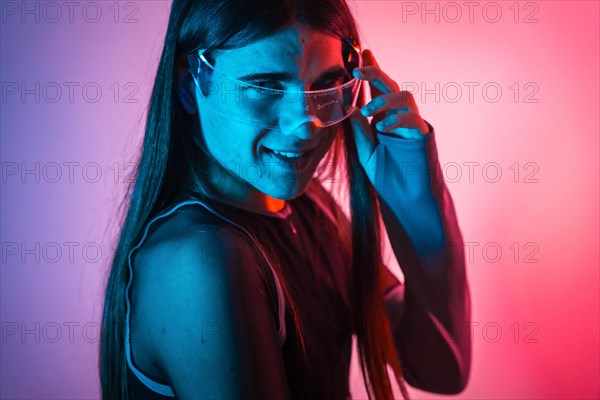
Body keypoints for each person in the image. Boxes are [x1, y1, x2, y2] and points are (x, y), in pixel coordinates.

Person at [99, 0, 472, 399]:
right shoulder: (200, 260)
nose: (304, 123)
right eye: (266, 86)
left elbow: (441, 367)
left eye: (327, 85)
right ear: (191, 85)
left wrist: (414, 193)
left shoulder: (313, 211)